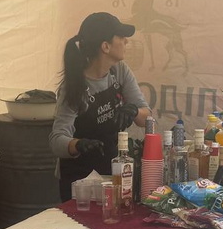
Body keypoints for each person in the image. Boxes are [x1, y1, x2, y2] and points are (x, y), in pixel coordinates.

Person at [49, 12, 151, 201]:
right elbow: (56, 140)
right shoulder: (74, 87)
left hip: (111, 171)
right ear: (105, 46)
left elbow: (147, 119)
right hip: (78, 181)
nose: (126, 42)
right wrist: (79, 144)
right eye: (120, 37)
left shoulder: (119, 71)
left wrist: (134, 110)